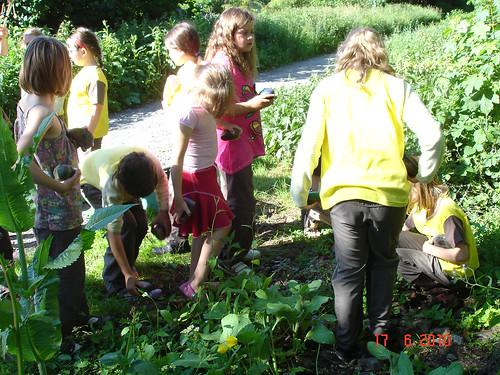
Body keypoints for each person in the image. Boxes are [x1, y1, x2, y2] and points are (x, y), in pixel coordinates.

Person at [290, 27, 444, 362]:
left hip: (344, 197)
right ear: (380, 54)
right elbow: (432, 135)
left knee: (348, 270)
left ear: (344, 54)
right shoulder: (396, 87)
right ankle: (382, 340)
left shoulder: (327, 89)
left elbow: (309, 147)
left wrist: (301, 194)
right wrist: (424, 174)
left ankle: (345, 347)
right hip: (390, 196)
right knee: (384, 264)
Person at [15, 36, 88, 342]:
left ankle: (77, 320)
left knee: (59, 268)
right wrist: (58, 185)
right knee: (68, 272)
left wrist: (69, 136)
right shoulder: (41, 112)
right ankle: (70, 335)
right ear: (58, 72)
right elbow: (22, 152)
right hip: (59, 209)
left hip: (43, 208)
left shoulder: (28, 100)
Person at [205, 7, 275, 263]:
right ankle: (231, 259)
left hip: (241, 141)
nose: (250, 38)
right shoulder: (222, 64)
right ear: (228, 33)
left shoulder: (237, 59)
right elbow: (216, 108)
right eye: (243, 33)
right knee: (238, 202)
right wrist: (252, 105)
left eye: (252, 32)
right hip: (230, 144)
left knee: (244, 197)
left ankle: (241, 250)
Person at [171, 63, 235, 298]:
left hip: (207, 173)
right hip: (196, 178)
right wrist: (177, 198)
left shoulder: (203, 107)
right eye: (216, 102)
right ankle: (197, 282)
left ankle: (191, 282)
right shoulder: (188, 113)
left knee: (202, 229)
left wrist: (225, 125)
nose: (217, 107)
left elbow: (210, 119)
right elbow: (176, 161)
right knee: (223, 224)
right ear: (202, 91)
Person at [80, 146, 171, 296]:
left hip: (124, 178)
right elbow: (113, 234)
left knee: (141, 225)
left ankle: (129, 271)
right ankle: (116, 284)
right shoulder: (112, 187)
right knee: (127, 225)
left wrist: (163, 212)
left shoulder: (151, 165)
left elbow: (162, 182)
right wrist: (126, 272)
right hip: (92, 183)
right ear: (126, 189)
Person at [155, 21, 202, 255]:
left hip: (187, 139)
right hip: (195, 139)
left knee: (180, 188)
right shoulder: (198, 69)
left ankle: (178, 240)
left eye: (170, 50)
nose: (169, 55)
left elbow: (184, 111)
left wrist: (167, 102)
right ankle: (183, 236)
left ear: (182, 48)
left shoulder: (189, 73)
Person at [397, 179, 479, 288]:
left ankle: (437, 289)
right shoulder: (421, 204)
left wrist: (429, 249)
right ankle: (427, 278)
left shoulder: (447, 212)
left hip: (455, 270)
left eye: (404, 189)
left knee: (395, 255)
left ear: (417, 188)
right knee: (394, 238)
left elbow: (462, 255)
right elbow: (404, 229)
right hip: (437, 249)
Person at [66, 27, 108, 151]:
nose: (69, 54)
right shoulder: (85, 72)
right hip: (80, 134)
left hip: (89, 136)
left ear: (83, 51)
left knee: (89, 167)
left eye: (71, 50)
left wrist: (87, 135)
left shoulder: (95, 76)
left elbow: (97, 107)